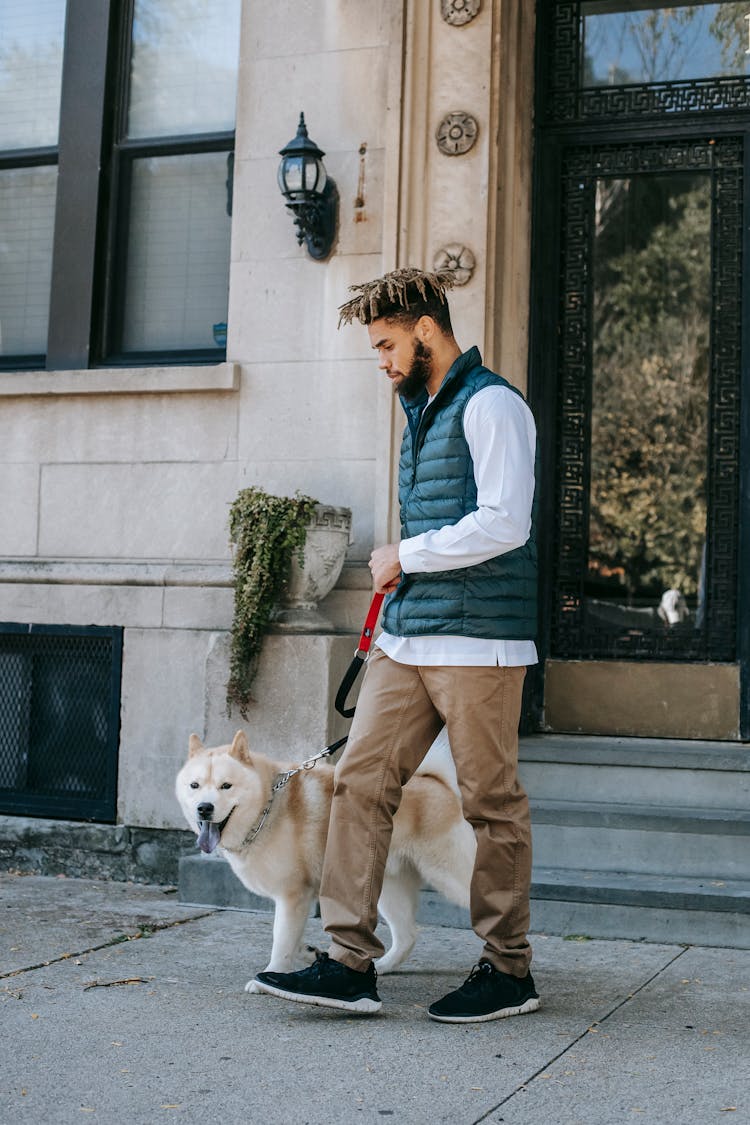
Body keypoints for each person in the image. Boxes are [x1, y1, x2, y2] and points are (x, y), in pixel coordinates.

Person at [254, 267, 539, 1022]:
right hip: (408, 636)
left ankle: (508, 969)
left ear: (425, 328)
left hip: (480, 642)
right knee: (361, 780)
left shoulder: (494, 405)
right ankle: (350, 958)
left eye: (385, 343)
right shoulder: (418, 410)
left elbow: (507, 521)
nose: (380, 360)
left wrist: (404, 556)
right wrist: (394, 597)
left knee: (491, 803)